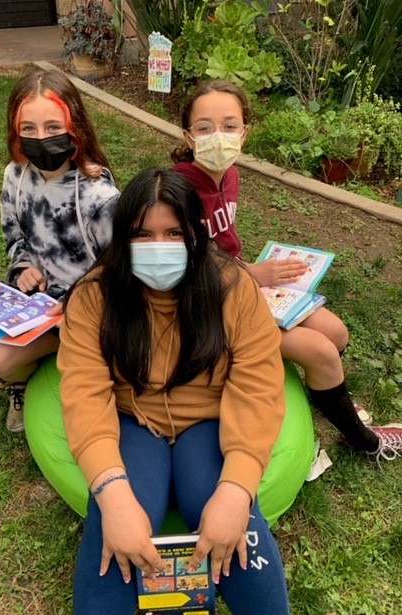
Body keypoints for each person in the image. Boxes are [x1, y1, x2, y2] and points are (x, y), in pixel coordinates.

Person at [58, 168, 292, 615]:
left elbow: (258, 387)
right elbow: (85, 394)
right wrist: (113, 495)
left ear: (196, 234)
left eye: (173, 233)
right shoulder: (94, 296)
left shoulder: (233, 288)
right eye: (142, 234)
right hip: (133, 420)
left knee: (232, 519)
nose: (158, 246)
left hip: (209, 422)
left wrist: (237, 489)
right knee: (113, 524)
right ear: (122, 237)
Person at [171, 79, 402, 461]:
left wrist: (252, 274)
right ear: (189, 135)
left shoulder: (229, 175)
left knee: (336, 333)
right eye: (205, 128)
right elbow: (180, 267)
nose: (219, 137)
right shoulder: (177, 190)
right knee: (320, 350)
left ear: (245, 132)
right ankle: (365, 441)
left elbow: (223, 243)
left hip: (242, 284)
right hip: (206, 306)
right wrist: (251, 274)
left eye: (229, 126)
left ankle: (327, 397)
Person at [0, 69, 120, 432]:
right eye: (28, 129)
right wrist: (22, 268)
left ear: (75, 127)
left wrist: (79, 304)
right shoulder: (15, 175)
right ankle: (20, 368)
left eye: (53, 127)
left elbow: (120, 269)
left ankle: (22, 378)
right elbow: (14, 236)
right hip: (32, 300)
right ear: (15, 130)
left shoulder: (99, 196)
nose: (41, 139)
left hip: (81, 310)